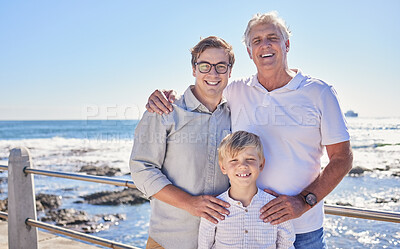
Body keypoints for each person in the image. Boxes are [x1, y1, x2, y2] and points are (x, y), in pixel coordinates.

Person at [145, 11, 353, 248]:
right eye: (256, 40)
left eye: (272, 38)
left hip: (304, 230)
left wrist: (303, 202)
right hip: (244, 227)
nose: (265, 45)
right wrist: (164, 97)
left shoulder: (319, 92)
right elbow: (206, 89)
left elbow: (342, 158)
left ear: (286, 44)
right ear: (249, 52)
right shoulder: (236, 91)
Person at [130, 36, 236, 249]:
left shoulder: (238, 113)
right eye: (205, 66)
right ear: (194, 69)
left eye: (221, 66)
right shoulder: (164, 110)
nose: (213, 73)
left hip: (223, 241)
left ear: (230, 71)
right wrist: (190, 203)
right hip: (169, 241)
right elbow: (142, 168)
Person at [198, 131, 295, 249]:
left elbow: (287, 245)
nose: (243, 165)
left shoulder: (276, 207)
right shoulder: (213, 209)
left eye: (250, 159)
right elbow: (204, 246)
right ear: (223, 167)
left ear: (261, 165)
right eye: (234, 160)